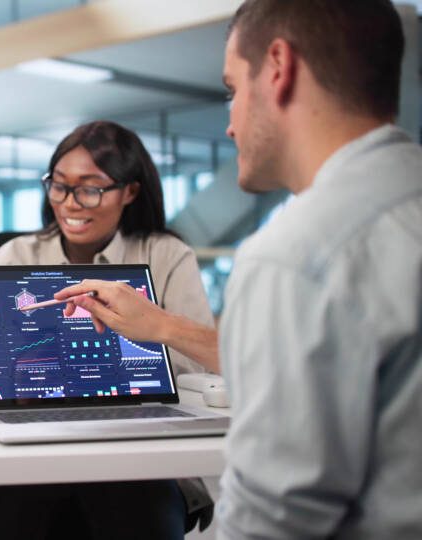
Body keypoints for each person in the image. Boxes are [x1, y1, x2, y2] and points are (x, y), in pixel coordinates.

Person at [58, 0, 422, 537]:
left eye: (232, 90)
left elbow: (274, 520)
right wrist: (162, 327)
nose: (229, 126)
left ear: (278, 68)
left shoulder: (296, 255)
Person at [0, 121, 216, 539]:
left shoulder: (165, 255)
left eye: (91, 188)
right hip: (26, 443)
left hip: (137, 444)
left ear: (130, 191)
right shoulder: (13, 256)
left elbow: (198, 368)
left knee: (136, 501)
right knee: (1, 498)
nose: (70, 203)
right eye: (59, 185)